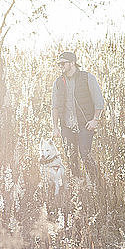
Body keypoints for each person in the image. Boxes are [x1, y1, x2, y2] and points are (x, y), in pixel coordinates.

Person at [51, 51, 104, 182]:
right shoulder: (58, 82)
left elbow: (99, 101)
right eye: (59, 64)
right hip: (67, 126)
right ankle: (78, 185)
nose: (61, 66)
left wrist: (95, 120)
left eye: (63, 63)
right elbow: (55, 106)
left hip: (85, 124)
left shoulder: (87, 78)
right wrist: (55, 127)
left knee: (85, 154)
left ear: (72, 63)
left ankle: (96, 183)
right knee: (71, 157)